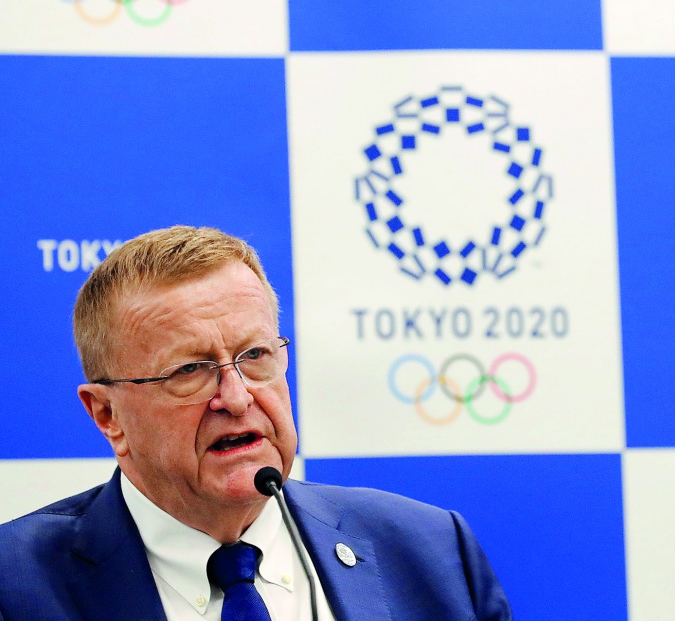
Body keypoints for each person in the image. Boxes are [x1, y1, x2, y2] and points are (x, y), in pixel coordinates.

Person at [0, 226, 512, 621]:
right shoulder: (16, 585)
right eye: (190, 371)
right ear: (107, 415)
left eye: (256, 355)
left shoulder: (431, 551)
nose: (237, 397)